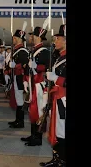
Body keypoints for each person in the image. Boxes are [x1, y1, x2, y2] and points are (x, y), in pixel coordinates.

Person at [39, 24, 66, 166]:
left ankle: (62, 160)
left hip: (64, 99)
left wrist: (56, 79)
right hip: (57, 98)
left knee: (62, 130)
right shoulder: (59, 57)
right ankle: (58, 158)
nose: (55, 41)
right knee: (57, 129)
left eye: (58, 39)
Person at [21, 25, 50, 146]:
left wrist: (36, 67)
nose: (31, 37)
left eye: (33, 35)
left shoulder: (44, 52)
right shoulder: (33, 50)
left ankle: (37, 138)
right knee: (32, 111)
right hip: (32, 83)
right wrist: (26, 80)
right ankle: (33, 134)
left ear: (38, 37)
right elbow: (28, 67)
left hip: (39, 85)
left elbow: (47, 67)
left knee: (38, 111)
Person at [7, 29, 29, 129]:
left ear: (20, 39)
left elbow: (25, 64)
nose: (13, 39)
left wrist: (15, 65)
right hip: (16, 77)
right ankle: (17, 120)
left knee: (20, 99)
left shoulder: (23, 51)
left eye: (15, 38)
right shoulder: (16, 50)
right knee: (17, 98)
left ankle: (20, 122)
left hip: (20, 78)